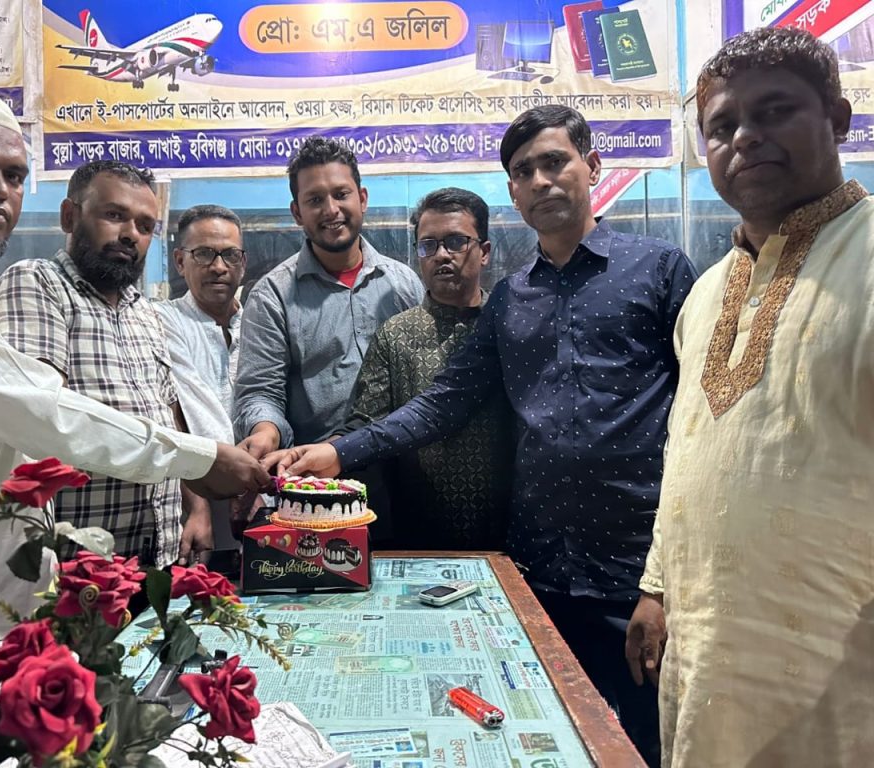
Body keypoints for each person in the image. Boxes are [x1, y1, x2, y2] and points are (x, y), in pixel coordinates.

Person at [269, 106, 697, 765]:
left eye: (554, 162)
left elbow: (700, 423)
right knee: (545, 740)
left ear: (592, 167)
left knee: (651, 745)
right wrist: (335, 450)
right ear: (513, 192)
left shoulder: (659, 270)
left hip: (634, 573)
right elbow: (441, 405)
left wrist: (664, 582)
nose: (541, 180)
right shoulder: (510, 300)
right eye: (523, 171)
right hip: (538, 574)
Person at [0, 84, 268, 639]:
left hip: (42, 581)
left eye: (14, 176)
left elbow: (162, 405)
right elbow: (38, 412)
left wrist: (193, 489)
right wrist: (200, 459)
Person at [625, 27, 874, 767]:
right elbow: (689, 453)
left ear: (837, 118)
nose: (744, 138)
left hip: (838, 673)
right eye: (722, 125)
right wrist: (656, 589)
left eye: (774, 112)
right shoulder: (705, 293)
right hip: (702, 657)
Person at [0, 161, 203, 568]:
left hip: (157, 554)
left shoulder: (146, 312)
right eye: (114, 215)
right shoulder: (37, 283)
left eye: (145, 226)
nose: (130, 235)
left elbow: (170, 415)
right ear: (69, 216)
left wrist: (197, 508)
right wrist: (210, 459)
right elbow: (41, 414)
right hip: (75, 561)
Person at [339, 187, 511, 549]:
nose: (441, 255)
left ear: (484, 252)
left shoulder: (510, 326)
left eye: (456, 242)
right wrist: (326, 453)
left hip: (509, 532)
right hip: (415, 535)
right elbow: (365, 425)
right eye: (428, 245)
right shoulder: (395, 335)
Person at [233, 136, 425, 457]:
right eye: (315, 199)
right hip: (315, 474)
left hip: (402, 466)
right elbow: (260, 392)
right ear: (297, 212)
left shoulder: (403, 283)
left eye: (341, 194)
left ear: (362, 199)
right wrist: (266, 431)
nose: (331, 210)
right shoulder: (272, 296)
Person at [155, 204, 247, 560]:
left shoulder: (259, 325)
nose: (219, 266)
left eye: (230, 255)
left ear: (243, 263)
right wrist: (197, 503)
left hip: (261, 502)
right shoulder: (162, 321)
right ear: (180, 261)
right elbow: (176, 414)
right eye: (204, 253)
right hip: (193, 508)